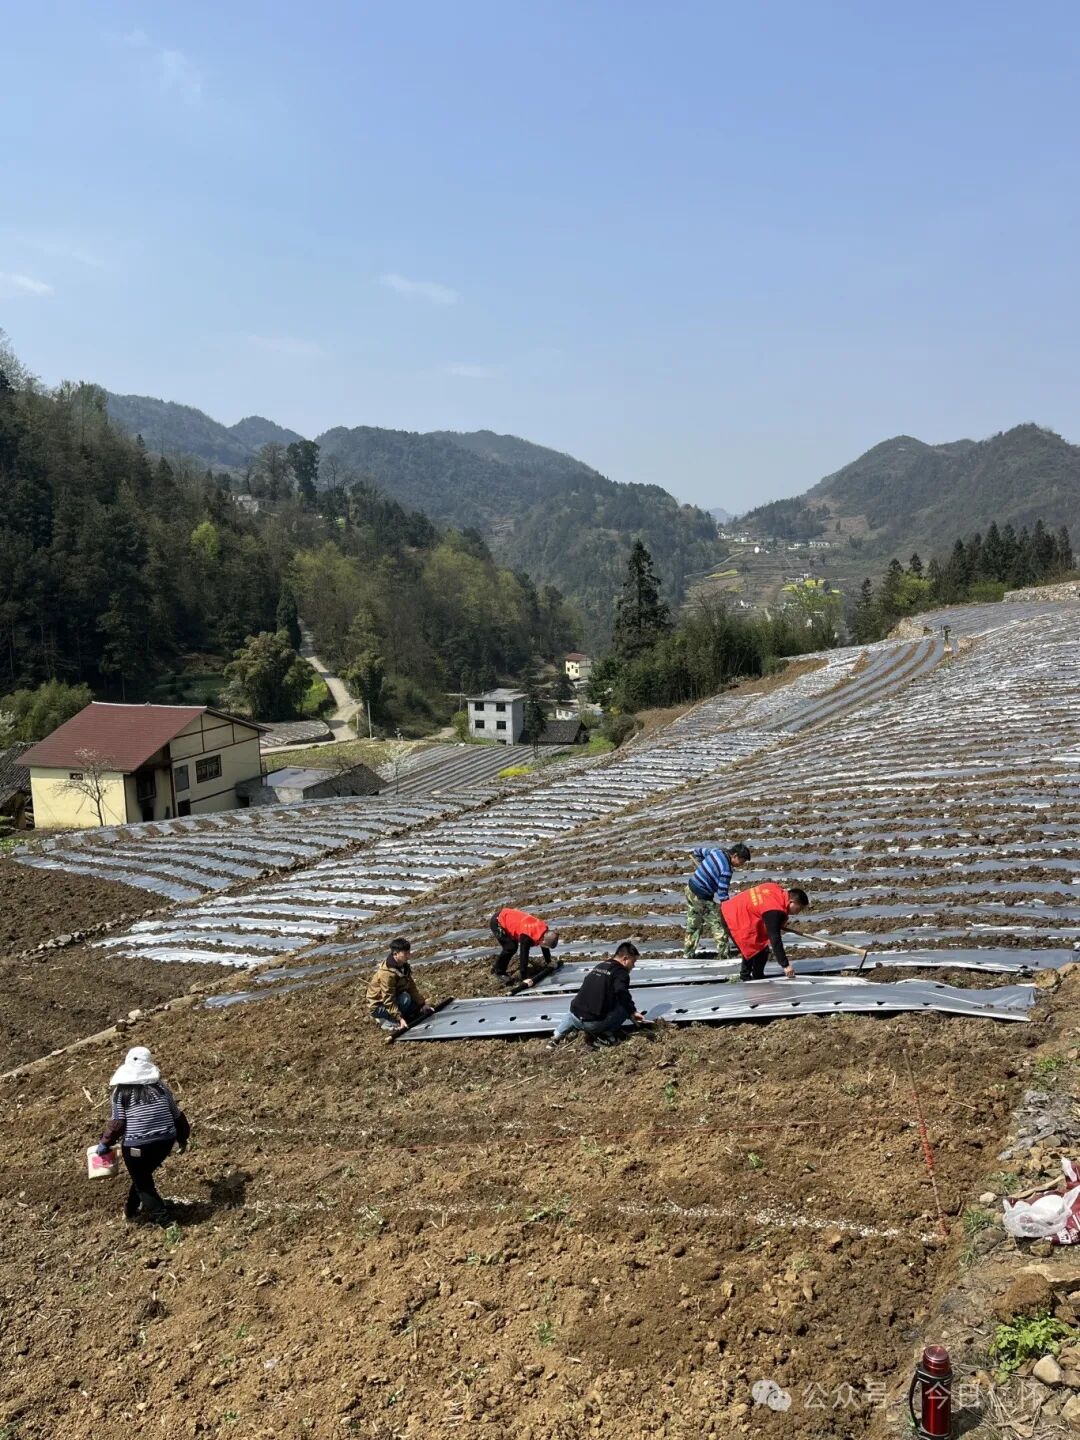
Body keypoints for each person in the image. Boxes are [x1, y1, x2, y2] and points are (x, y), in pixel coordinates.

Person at [94, 1046, 190, 1227]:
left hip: (137, 1146)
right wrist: (183, 1137)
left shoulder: (120, 1092)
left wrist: (105, 1143)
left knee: (143, 1184)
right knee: (141, 1176)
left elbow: (118, 1124)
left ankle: (166, 1222)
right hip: (165, 1142)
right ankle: (130, 1210)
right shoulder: (161, 1088)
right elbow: (176, 1114)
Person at [548, 942, 645, 1049]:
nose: (634, 966)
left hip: (575, 1016)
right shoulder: (621, 972)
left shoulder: (600, 965)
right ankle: (606, 1034)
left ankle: (556, 1036)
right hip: (593, 1023)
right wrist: (632, 1011)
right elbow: (621, 991)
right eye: (634, 962)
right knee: (624, 1008)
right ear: (625, 959)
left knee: (575, 1008)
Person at [719, 883, 809, 981]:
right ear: (791, 901)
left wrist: (776, 922)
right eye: (799, 908)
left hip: (736, 910)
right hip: (733, 916)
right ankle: (747, 978)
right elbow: (775, 939)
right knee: (753, 948)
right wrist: (786, 965)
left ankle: (755, 976)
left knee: (757, 948)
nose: (798, 912)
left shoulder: (776, 890)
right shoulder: (774, 910)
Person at [684, 841, 751, 958]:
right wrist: (727, 909)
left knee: (694, 923)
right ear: (734, 856)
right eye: (742, 861)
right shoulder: (726, 870)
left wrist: (703, 865)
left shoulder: (716, 852)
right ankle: (724, 955)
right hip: (702, 896)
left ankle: (688, 953)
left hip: (690, 889)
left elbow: (697, 851)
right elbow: (722, 892)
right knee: (718, 924)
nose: (741, 864)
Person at [366, 938, 434, 1031]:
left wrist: (422, 1004)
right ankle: (386, 1021)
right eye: (405, 954)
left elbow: (411, 986)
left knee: (415, 1006)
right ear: (395, 954)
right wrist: (399, 1018)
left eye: (409, 952)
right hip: (379, 1006)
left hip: (396, 997)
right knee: (405, 999)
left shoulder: (403, 965)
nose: (408, 956)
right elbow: (388, 999)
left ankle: (397, 1015)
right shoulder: (386, 974)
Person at [489, 907, 560, 987]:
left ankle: (497, 965)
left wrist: (549, 961)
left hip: (510, 918)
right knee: (510, 947)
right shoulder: (527, 937)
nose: (544, 946)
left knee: (512, 945)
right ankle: (499, 972)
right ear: (543, 940)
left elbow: (545, 946)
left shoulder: (544, 930)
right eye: (545, 945)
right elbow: (524, 955)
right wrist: (524, 977)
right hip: (498, 922)